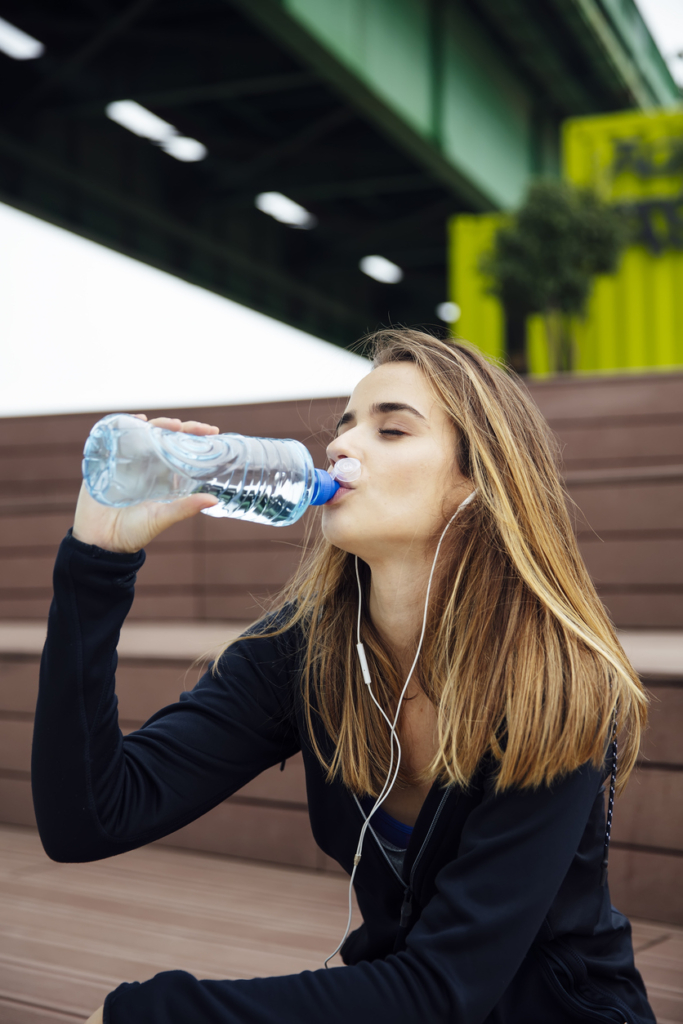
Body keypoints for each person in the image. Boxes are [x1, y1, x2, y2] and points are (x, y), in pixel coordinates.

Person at [32, 329, 654, 1024]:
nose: (339, 448)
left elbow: (443, 989)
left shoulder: (557, 683)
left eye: (390, 430)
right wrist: (95, 561)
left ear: (476, 481)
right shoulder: (305, 654)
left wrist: (156, 1014)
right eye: (344, 426)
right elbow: (88, 819)